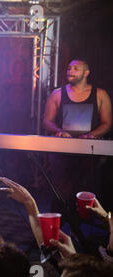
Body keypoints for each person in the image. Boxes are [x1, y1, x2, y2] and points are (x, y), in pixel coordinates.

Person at [42, 58, 112, 215]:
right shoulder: (57, 94)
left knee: (85, 191)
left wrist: (91, 135)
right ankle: (58, 226)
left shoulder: (100, 94)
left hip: (89, 153)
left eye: (75, 68)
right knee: (61, 192)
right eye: (68, 68)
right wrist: (58, 131)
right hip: (61, 152)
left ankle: (81, 229)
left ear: (86, 73)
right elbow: (47, 121)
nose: (70, 71)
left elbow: (107, 123)